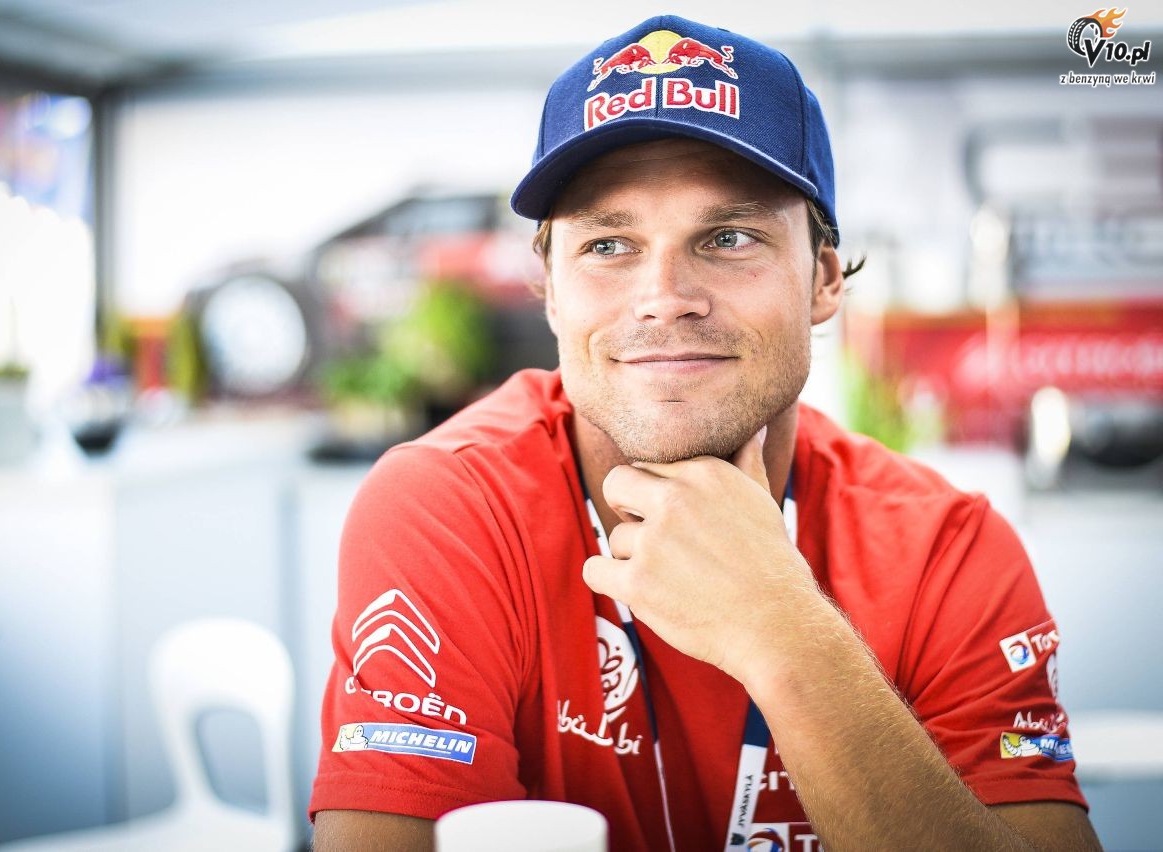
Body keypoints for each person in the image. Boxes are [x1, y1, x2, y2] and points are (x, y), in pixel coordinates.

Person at [310, 15, 1100, 851]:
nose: (664, 297)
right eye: (608, 244)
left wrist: (782, 627)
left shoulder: (947, 550)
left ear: (824, 279)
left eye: (728, 238)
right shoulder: (449, 508)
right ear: (549, 290)